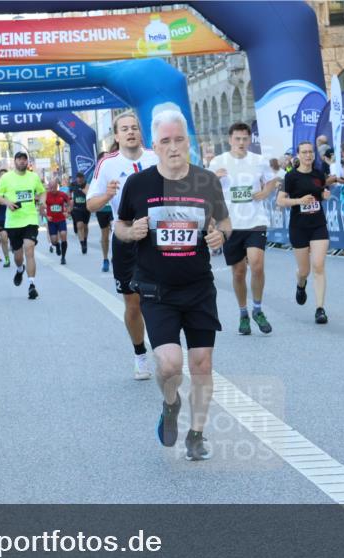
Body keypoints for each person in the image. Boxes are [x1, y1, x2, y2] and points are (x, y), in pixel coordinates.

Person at [114, 109, 231, 461]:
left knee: (202, 364)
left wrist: (218, 236)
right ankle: (170, 404)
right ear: (155, 145)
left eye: (179, 140)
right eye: (166, 141)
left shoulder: (206, 181)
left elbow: (224, 222)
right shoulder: (139, 184)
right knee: (168, 365)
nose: (174, 147)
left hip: (198, 287)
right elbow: (120, 226)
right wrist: (131, 232)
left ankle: (196, 434)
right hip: (156, 290)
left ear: (188, 143)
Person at [87, 112, 159, 380]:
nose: (130, 132)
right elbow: (91, 204)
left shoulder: (155, 157)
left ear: (141, 133)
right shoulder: (107, 164)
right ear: (116, 136)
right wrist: (107, 194)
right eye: (124, 129)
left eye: (134, 128)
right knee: (133, 302)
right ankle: (140, 354)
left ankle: (165, 348)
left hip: (157, 236)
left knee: (162, 297)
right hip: (126, 235)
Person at [208, 122, 280, 335]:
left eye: (244, 139)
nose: (241, 142)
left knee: (256, 265)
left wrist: (265, 193)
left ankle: (257, 309)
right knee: (239, 272)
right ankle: (243, 313)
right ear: (230, 140)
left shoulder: (259, 161)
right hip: (230, 224)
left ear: (249, 140)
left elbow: (272, 180)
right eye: (237, 139)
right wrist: (214, 179)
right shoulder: (218, 161)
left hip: (255, 221)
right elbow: (205, 189)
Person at [278, 141, 331, 324]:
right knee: (304, 270)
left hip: (318, 225)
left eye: (310, 152)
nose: (308, 155)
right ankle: (301, 285)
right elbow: (280, 201)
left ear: (314, 155)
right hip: (298, 227)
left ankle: (320, 309)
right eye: (304, 152)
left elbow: (322, 192)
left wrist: (325, 195)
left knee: (318, 265)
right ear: (298, 155)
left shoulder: (319, 174)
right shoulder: (290, 177)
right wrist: (299, 201)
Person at [0, 152, 45, 298]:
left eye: (25, 160)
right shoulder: (6, 177)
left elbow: (42, 192)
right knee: (18, 256)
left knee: (29, 249)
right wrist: (7, 203)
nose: (22, 162)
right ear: (15, 161)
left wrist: (42, 202)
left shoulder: (33, 177)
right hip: (13, 222)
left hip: (30, 219)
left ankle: (31, 285)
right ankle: (19, 269)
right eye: (19, 159)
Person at [44, 177, 71, 265]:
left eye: (54, 187)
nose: (52, 189)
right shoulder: (46, 195)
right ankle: (57, 245)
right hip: (52, 221)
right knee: (53, 241)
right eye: (50, 187)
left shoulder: (62, 194)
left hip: (61, 219)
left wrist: (68, 212)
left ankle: (63, 257)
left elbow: (70, 203)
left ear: (57, 186)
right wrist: (46, 216)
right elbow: (41, 208)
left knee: (63, 235)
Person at [69, 173, 91, 254]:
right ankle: (82, 244)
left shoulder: (87, 185)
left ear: (83, 178)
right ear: (76, 178)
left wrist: (84, 190)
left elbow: (90, 194)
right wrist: (69, 204)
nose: (79, 180)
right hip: (76, 208)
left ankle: (85, 240)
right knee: (80, 225)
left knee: (85, 226)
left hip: (86, 208)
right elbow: (69, 195)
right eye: (78, 178)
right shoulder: (73, 185)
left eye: (81, 178)